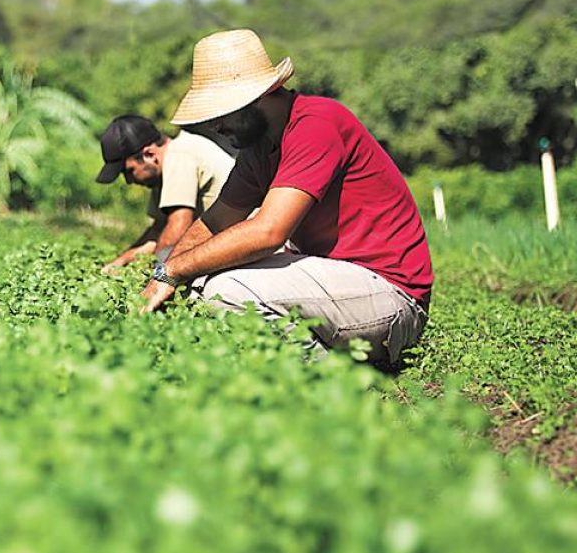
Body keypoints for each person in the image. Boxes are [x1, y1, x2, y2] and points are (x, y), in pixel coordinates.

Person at [141, 29, 433, 365]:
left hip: (391, 296)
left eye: (221, 114)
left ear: (258, 96)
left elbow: (268, 233)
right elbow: (215, 222)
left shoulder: (317, 123)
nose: (216, 127)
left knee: (224, 291)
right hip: (339, 284)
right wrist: (162, 275)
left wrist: (173, 270)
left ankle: (325, 381)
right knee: (201, 278)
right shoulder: (258, 150)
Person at [94, 115, 235, 273]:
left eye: (129, 171)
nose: (128, 180)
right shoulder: (162, 171)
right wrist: (119, 263)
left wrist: (154, 275)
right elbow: (159, 232)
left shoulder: (180, 154)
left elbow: (178, 226)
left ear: (149, 154)